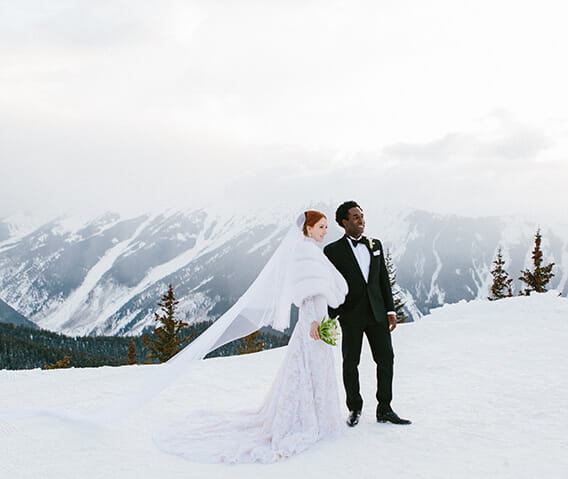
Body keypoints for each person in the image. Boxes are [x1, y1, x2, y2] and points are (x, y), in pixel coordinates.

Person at [153, 210, 348, 463]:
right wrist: (313, 321)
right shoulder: (305, 252)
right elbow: (307, 293)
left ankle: (317, 416)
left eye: (325, 227)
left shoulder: (311, 250)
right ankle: (310, 419)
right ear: (308, 228)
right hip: (312, 322)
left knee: (314, 369)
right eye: (321, 227)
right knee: (310, 369)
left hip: (318, 319)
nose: (325, 231)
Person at [324, 201, 411, 426]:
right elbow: (330, 285)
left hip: (377, 313)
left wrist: (390, 310)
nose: (361, 220)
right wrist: (333, 315)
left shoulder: (375, 245)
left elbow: (383, 281)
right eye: (355, 217)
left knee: (386, 359)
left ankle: (385, 408)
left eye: (361, 216)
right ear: (344, 222)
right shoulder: (332, 251)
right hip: (350, 315)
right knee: (350, 362)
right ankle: (354, 408)